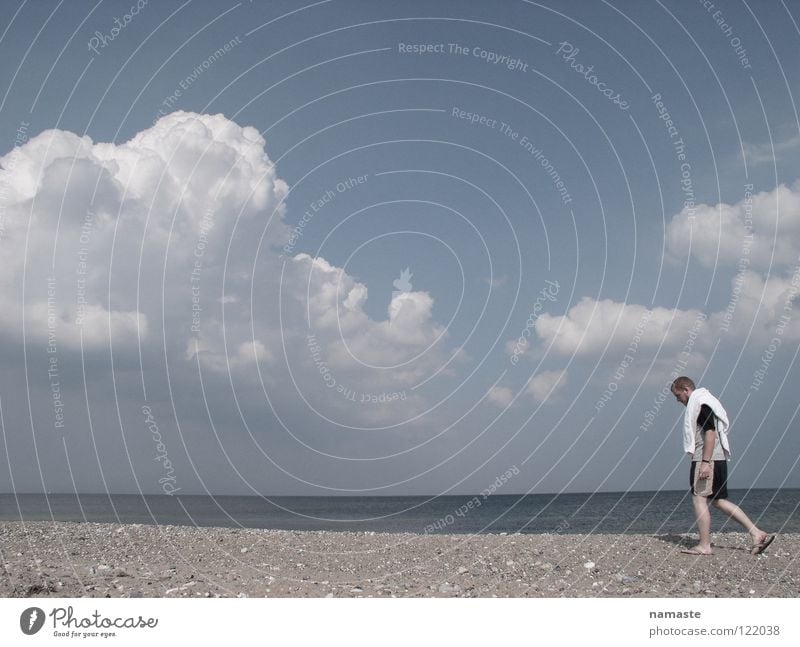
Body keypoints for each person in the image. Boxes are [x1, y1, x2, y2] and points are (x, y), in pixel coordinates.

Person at [670, 376, 775, 556]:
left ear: (686, 390)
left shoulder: (700, 404)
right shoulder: (707, 402)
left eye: (678, 395)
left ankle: (704, 545)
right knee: (718, 501)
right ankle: (756, 533)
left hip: (706, 458)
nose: (677, 400)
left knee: (699, 499)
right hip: (717, 458)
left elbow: (710, 433)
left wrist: (704, 463)